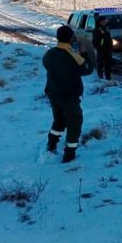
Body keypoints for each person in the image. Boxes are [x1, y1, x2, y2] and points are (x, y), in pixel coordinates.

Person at [42, 25, 95, 163]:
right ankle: (69, 154)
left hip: (53, 93)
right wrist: (87, 54)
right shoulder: (73, 56)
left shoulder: (50, 54)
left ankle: (51, 143)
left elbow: (47, 65)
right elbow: (87, 69)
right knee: (74, 123)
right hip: (69, 95)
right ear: (71, 38)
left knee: (59, 120)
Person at [92, 16, 113, 80]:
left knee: (108, 64)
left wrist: (110, 46)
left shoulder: (106, 29)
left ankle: (108, 77)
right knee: (100, 64)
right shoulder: (97, 30)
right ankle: (100, 77)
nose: (105, 22)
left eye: (105, 21)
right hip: (101, 50)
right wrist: (99, 48)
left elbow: (109, 38)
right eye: (104, 21)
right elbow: (95, 41)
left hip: (108, 50)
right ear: (100, 22)